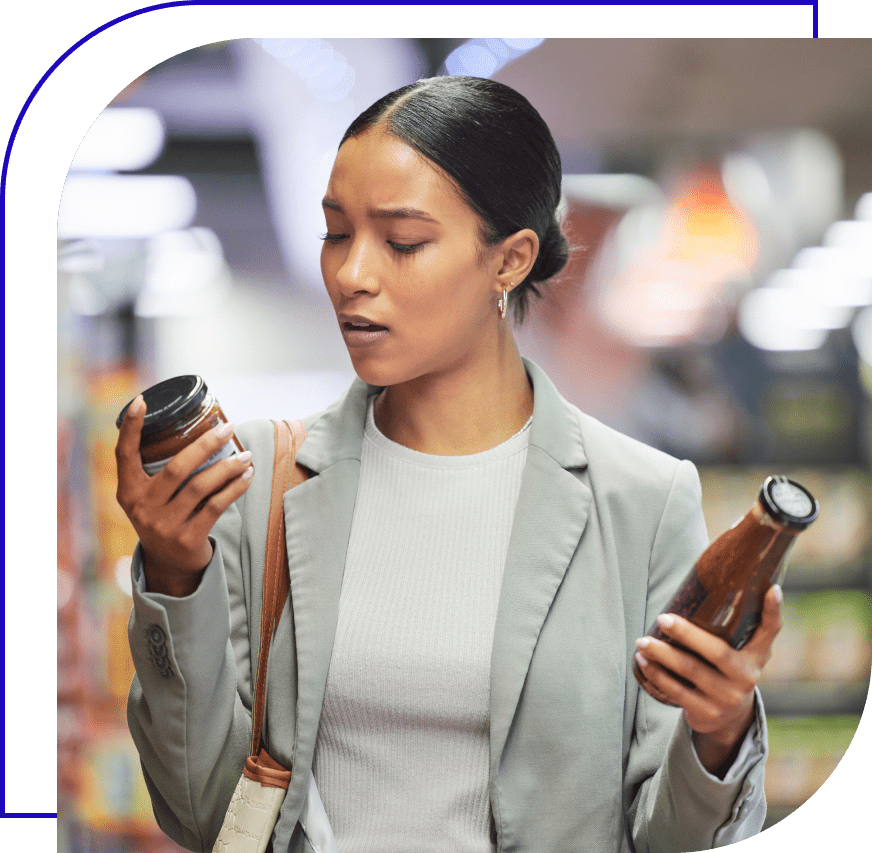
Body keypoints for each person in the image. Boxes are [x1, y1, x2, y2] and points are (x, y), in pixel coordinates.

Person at [117, 76, 779, 853]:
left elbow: (667, 838)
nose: (352, 274)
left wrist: (719, 731)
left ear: (510, 260)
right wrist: (172, 574)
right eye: (336, 233)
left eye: (402, 241)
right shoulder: (262, 478)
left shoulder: (642, 501)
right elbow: (201, 813)